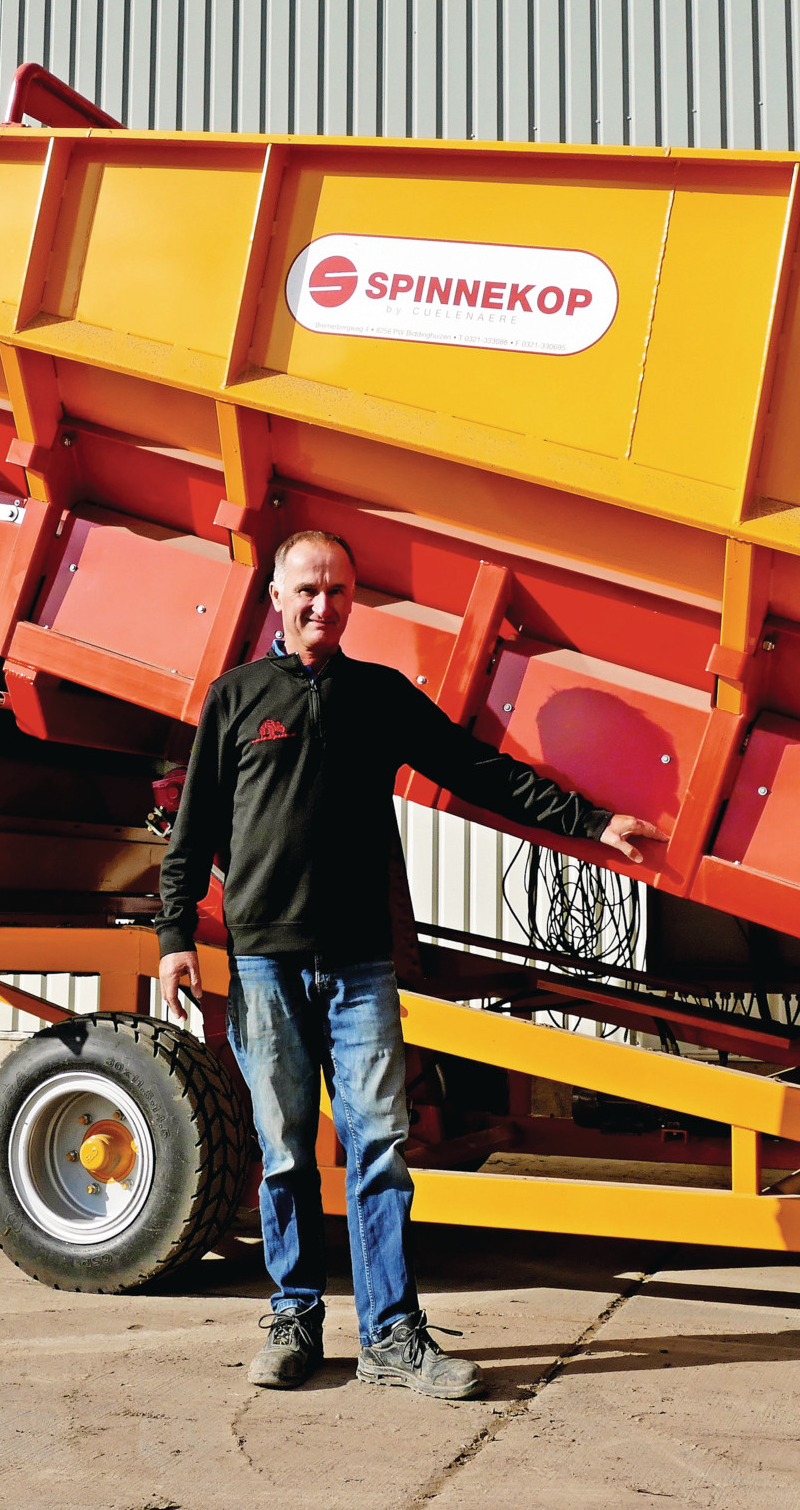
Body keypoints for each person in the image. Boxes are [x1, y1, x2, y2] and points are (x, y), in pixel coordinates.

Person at [155, 530, 665, 1400]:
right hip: (266, 966)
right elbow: (194, 830)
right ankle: (294, 1316)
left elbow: (478, 770)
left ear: (356, 601)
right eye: (308, 590)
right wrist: (172, 936)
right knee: (282, 1154)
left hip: (359, 964)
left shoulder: (380, 696)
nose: (324, 605)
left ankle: (393, 1334)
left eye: (340, 592)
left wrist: (589, 821)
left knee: (380, 1150)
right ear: (276, 594)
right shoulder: (237, 698)